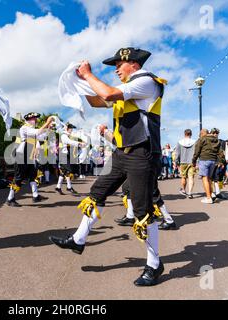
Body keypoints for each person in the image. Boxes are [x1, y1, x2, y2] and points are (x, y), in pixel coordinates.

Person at [49, 47, 168, 286]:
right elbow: (97, 100)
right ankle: (78, 239)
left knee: (144, 211)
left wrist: (89, 74)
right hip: (122, 152)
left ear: (133, 64)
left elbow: (110, 93)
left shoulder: (145, 81)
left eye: (118, 64)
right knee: (97, 193)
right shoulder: (126, 89)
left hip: (142, 153)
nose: (115, 69)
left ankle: (154, 265)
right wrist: (81, 83)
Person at [5, 113, 54, 207]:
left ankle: (35, 196)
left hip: (29, 156)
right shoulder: (24, 128)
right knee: (18, 178)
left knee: (33, 175)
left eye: (36, 119)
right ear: (28, 120)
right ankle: (10, 198)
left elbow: (42, 136)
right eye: (34, 119)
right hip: (21, 155)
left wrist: (49, 128)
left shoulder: (31, 130)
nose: (36, 121)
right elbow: (37, 133)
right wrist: (47, 122)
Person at [192, 129, 223, 204]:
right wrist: (220, 161)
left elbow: (197, 151)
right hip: (213, 161)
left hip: (204, 160)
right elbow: (220, 152)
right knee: (209, 179)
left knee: (205, 179)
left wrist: (194, 161)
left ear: (202, 133)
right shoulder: (216, 140)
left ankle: (208, 198)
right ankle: (211, 194)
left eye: (200, 134)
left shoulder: (202, 139)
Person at [56, 123, 85, 195]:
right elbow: (69, 142)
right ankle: (67, 187)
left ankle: (60, 186)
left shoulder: (66, 135)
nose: (71, 130)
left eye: (72, 129)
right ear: (67, 128)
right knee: (69, 170)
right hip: (63, 155)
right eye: (70, 129)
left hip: (65, 155)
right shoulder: (63, 135)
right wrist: (79, 143)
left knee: (64, 171)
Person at [175, 129, 196, 199]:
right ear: (191, 134)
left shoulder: (179, 142)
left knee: (183, 177)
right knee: (191, 177)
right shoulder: (194, 142)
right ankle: (190, 192)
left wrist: (176, 162)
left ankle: (184, 190)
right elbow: (196, 153)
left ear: (184, 134)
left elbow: (177, 153)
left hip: (182, 162)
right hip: (192, 162)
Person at [209, 128, 227, 200]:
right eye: (213, 133)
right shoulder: (208, 141)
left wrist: (222, 161)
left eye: (216, 133)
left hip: (219, 161)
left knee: (218, 178)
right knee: (211, 178)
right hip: (211, 161)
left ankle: (218, 193)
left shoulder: (222, 142)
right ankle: (212, 193)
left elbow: (223, 152)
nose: (215, 134)